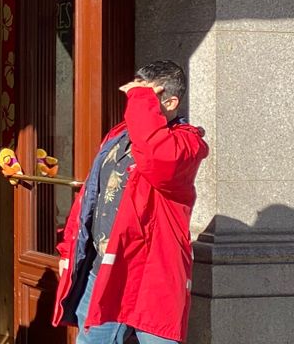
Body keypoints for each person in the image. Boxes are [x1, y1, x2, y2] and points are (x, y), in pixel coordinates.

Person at [53, 60, 208, 344]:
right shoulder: (119, 134)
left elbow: (158, 159)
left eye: (145, 97)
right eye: (134, 96)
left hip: (153, 278)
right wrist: (69, 250)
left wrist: (139, 99)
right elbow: (91, 195)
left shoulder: (186, 144)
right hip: (103, 273)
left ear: (171, 102)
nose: (133, 103)